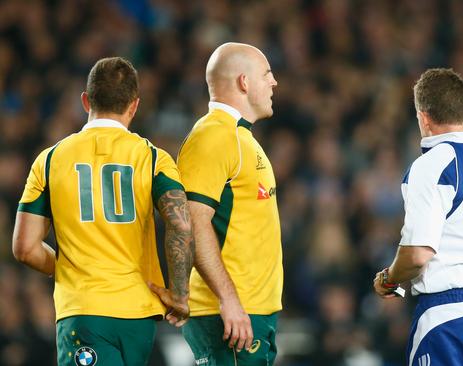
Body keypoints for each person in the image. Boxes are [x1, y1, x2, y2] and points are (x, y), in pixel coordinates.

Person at [12, 57, 194, 366]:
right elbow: (182, 226)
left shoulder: (51, 159)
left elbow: (25, 248)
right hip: (138, 315)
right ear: (134, 106)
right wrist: (179, 294)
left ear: (86, 100)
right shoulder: (153, 159)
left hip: (84, 311)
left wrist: (71, 268)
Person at [373, 30, 463, 366]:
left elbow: (419, 254)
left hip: (447, 316)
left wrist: (388, 279)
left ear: (423, 117)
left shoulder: (431, 166)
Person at [177, 42, 282, 365]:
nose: (274, 82)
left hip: (251, 311)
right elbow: (193, 221)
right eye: (267, 74)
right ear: (244, 82)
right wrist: (229, 299)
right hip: (229, 315)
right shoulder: (213, 137)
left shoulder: (240, 138)